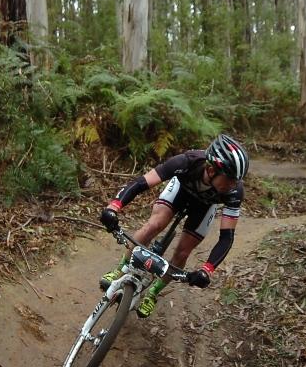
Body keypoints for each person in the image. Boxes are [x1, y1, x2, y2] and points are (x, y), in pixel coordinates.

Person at [98, 133, 249, 318]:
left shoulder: (234, 192)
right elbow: (141, 183)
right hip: (180, 192)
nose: (234, 185)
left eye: (236, 181)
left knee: (183, 252)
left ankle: (154, 292)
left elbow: (227, 237)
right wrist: (113, 207)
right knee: (155, 224)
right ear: (211, 170)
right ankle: (120, 269)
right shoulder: (187, 162)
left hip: (204, 207)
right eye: (230, 179)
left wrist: (207, 270)